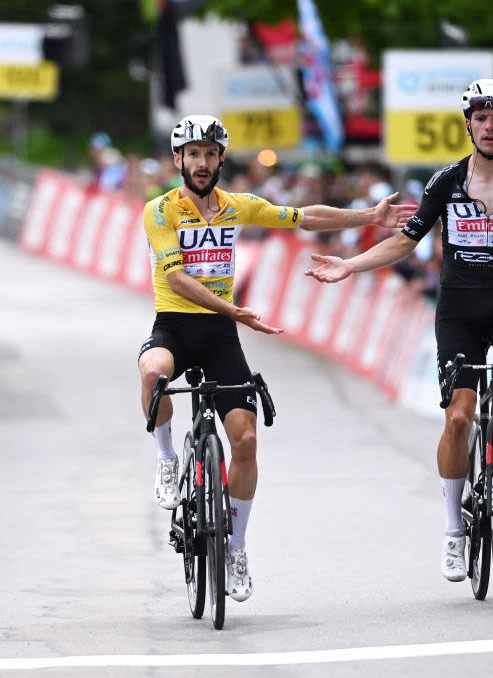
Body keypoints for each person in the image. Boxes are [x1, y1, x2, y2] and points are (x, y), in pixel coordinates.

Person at [305, 79, 493, 583]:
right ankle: (454, 529)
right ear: (469, 125)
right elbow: (405, 243)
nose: (490, 125)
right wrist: (351, 265)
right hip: (455, 313)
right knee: (459, 420)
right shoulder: (445, 183)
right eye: (482, 117)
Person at [137, 114, 416, 602]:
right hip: (177, 324)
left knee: (244, 440)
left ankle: (237, 548)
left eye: (210, 154)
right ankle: (164, 459)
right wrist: (236, 310)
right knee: (152, 370)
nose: (202, 164)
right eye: (193, 155)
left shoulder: (238, 206)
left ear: (221, 159)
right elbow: (178, 279)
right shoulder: (159, 211)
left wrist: (368, 217)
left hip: (221, 333)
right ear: (177, 160)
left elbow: (303, 216)